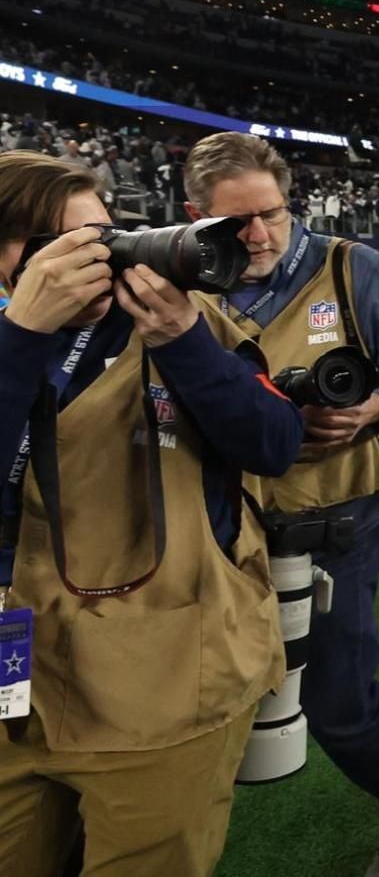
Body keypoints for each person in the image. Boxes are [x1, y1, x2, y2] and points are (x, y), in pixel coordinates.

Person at [0, 152, 303, 876]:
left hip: (163, 685)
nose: (92, 263)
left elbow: (274, 443)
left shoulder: (174, 319)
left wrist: (185, 344)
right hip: (16, 692)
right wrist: (20, 338)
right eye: (59, 246)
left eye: (102, 237)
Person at [181, 133, 379, 875]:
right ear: (191, 218)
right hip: (217, 535)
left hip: (336, 523)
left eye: (272, 212)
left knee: (336, 700)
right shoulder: (181, 287)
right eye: (235, 224)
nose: (260, 236)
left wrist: (372, 410)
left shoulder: (349, 265)